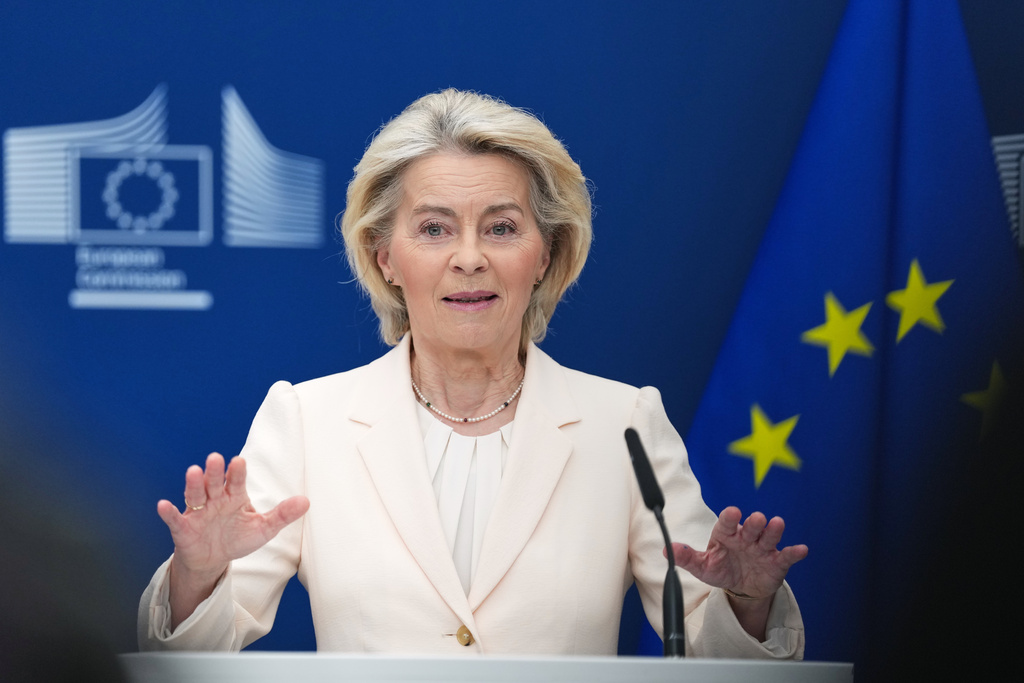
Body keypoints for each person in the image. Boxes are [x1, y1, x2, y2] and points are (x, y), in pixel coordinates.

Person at [139, 89, 807, 656]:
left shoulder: (623, 425)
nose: (468, 258)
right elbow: (194, 651)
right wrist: (199, 576)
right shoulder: (310, 421)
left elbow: (719, 650)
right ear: (385, 258)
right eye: (433, 229)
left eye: (501, 227)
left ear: (545, 254)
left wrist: (747, 601)